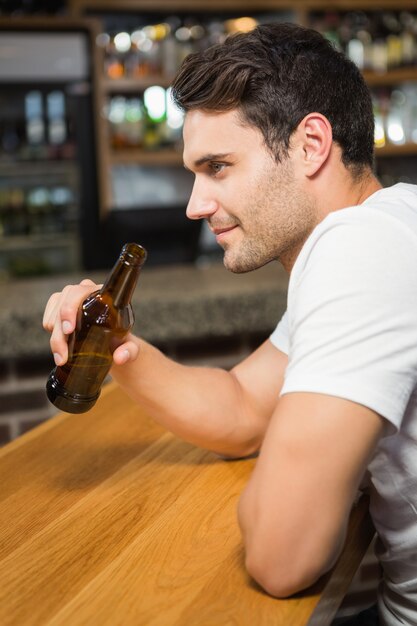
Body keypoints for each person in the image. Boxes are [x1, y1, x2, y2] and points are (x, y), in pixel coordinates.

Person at [42, 23, 417, 626]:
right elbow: (244, 407)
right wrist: (116, 346)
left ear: (310, 144)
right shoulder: (389, 224)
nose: (195, 203)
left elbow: (282, 554)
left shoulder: (362, 250)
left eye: (218, 166)